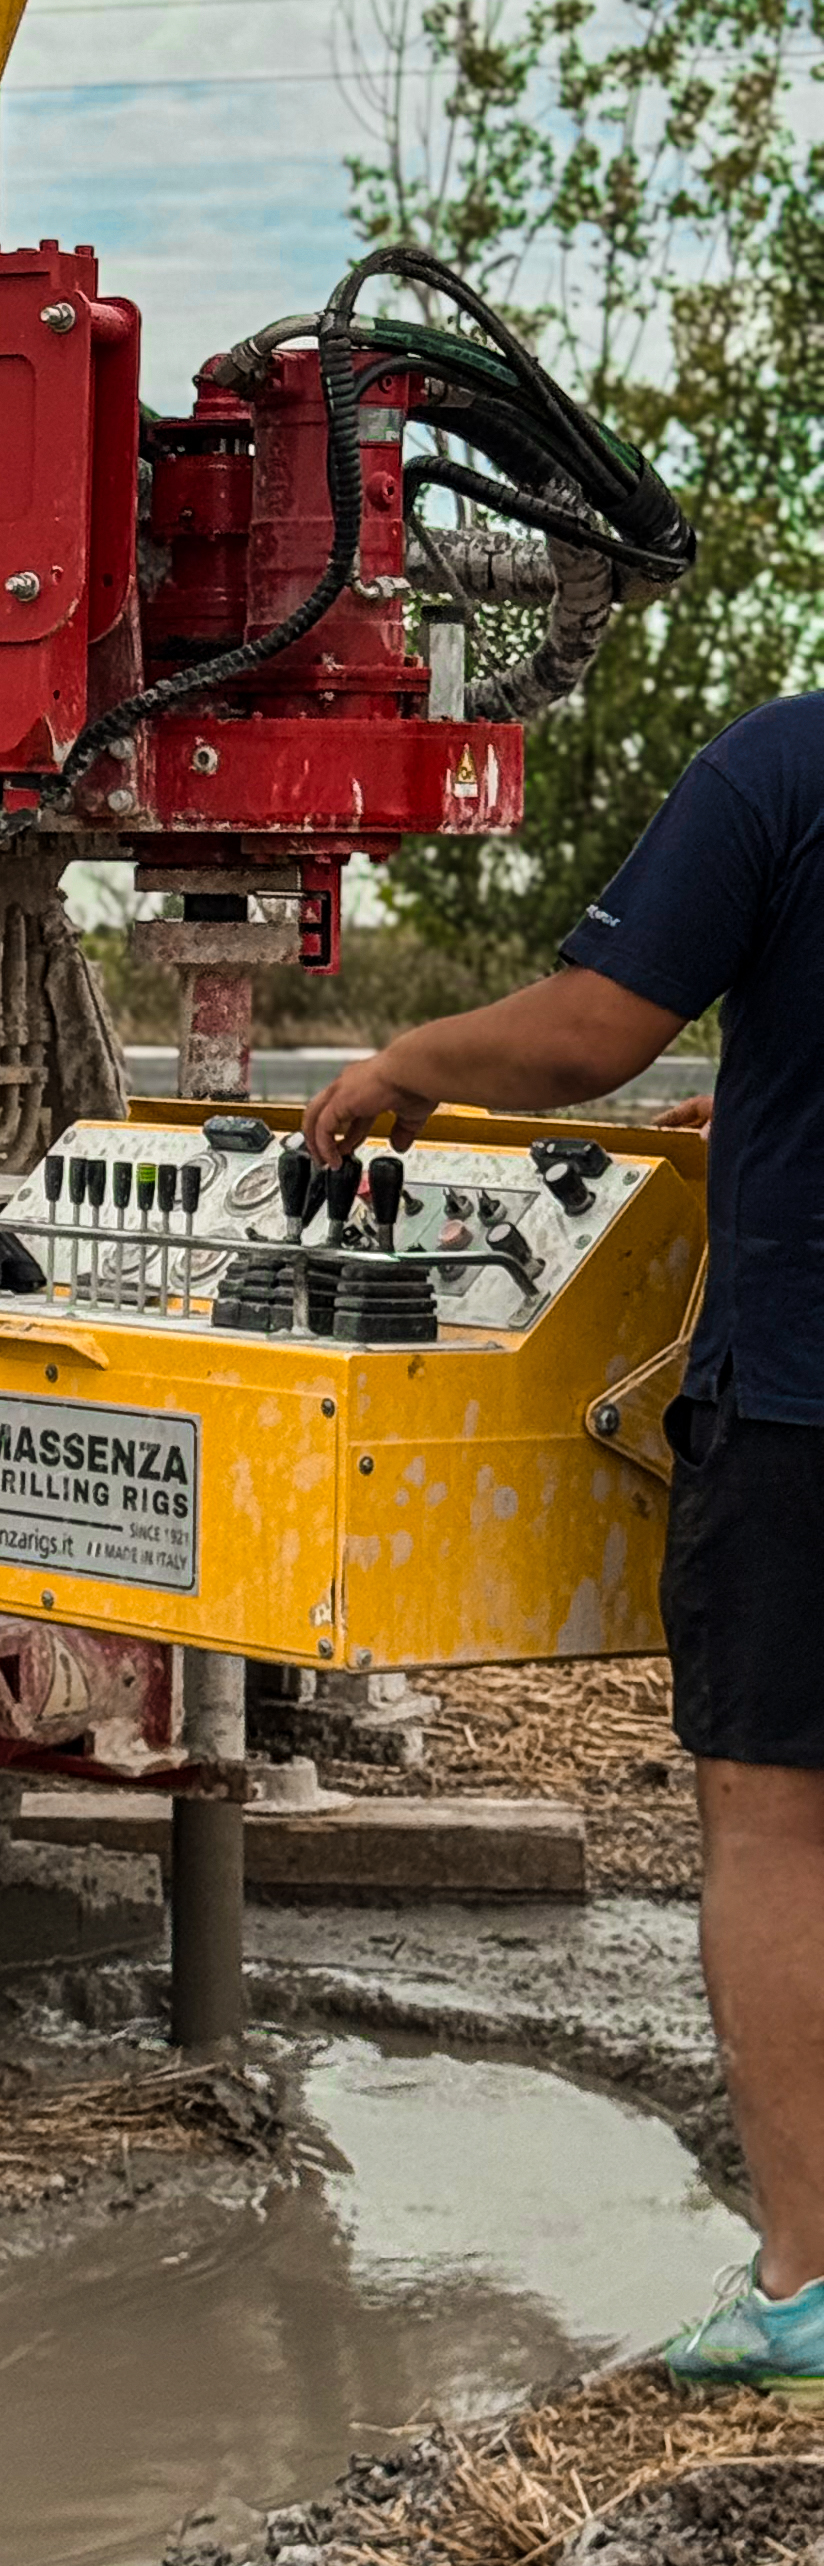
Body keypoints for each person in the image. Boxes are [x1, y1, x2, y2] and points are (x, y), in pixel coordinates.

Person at [305, 690, 824, 2401]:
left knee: (781, 1817)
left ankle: (812, 2286)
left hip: (806, 1399)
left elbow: (588, 1035)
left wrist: (404, 1065)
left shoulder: (784, 767)